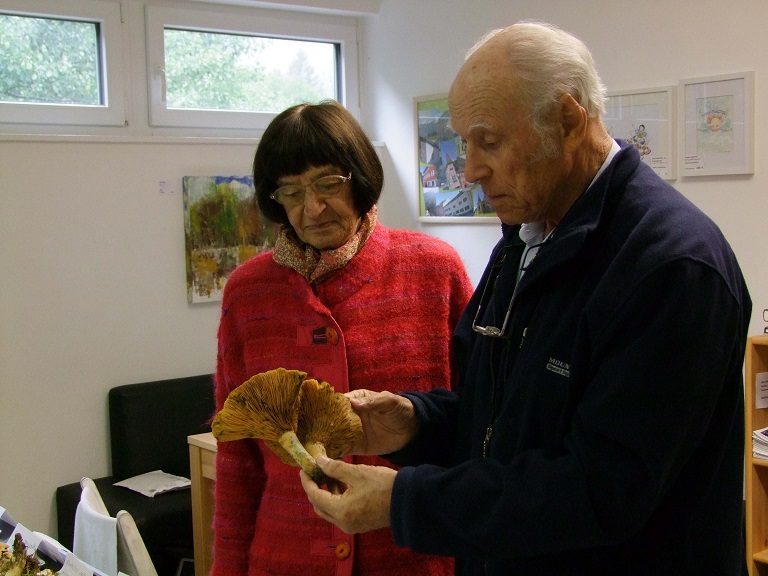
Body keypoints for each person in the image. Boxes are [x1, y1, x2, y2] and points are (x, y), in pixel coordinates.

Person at [300, 21, 752, 576]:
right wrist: (416, 424)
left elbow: (601, 489)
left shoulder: (672, 267)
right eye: (464, 143)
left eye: (489, 142)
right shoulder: (528, 234)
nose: (469, 171)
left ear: (567, 122)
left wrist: (405, 501)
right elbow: (504, 416)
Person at [211, 99, 474, 576]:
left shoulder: (434, 271)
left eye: (328, 183)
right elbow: (237, 460)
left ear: (360, 177)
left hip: (411, 558)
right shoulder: (248, 293)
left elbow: (479, 423)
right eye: (291, 192)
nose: (312, 208)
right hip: (284, 560)